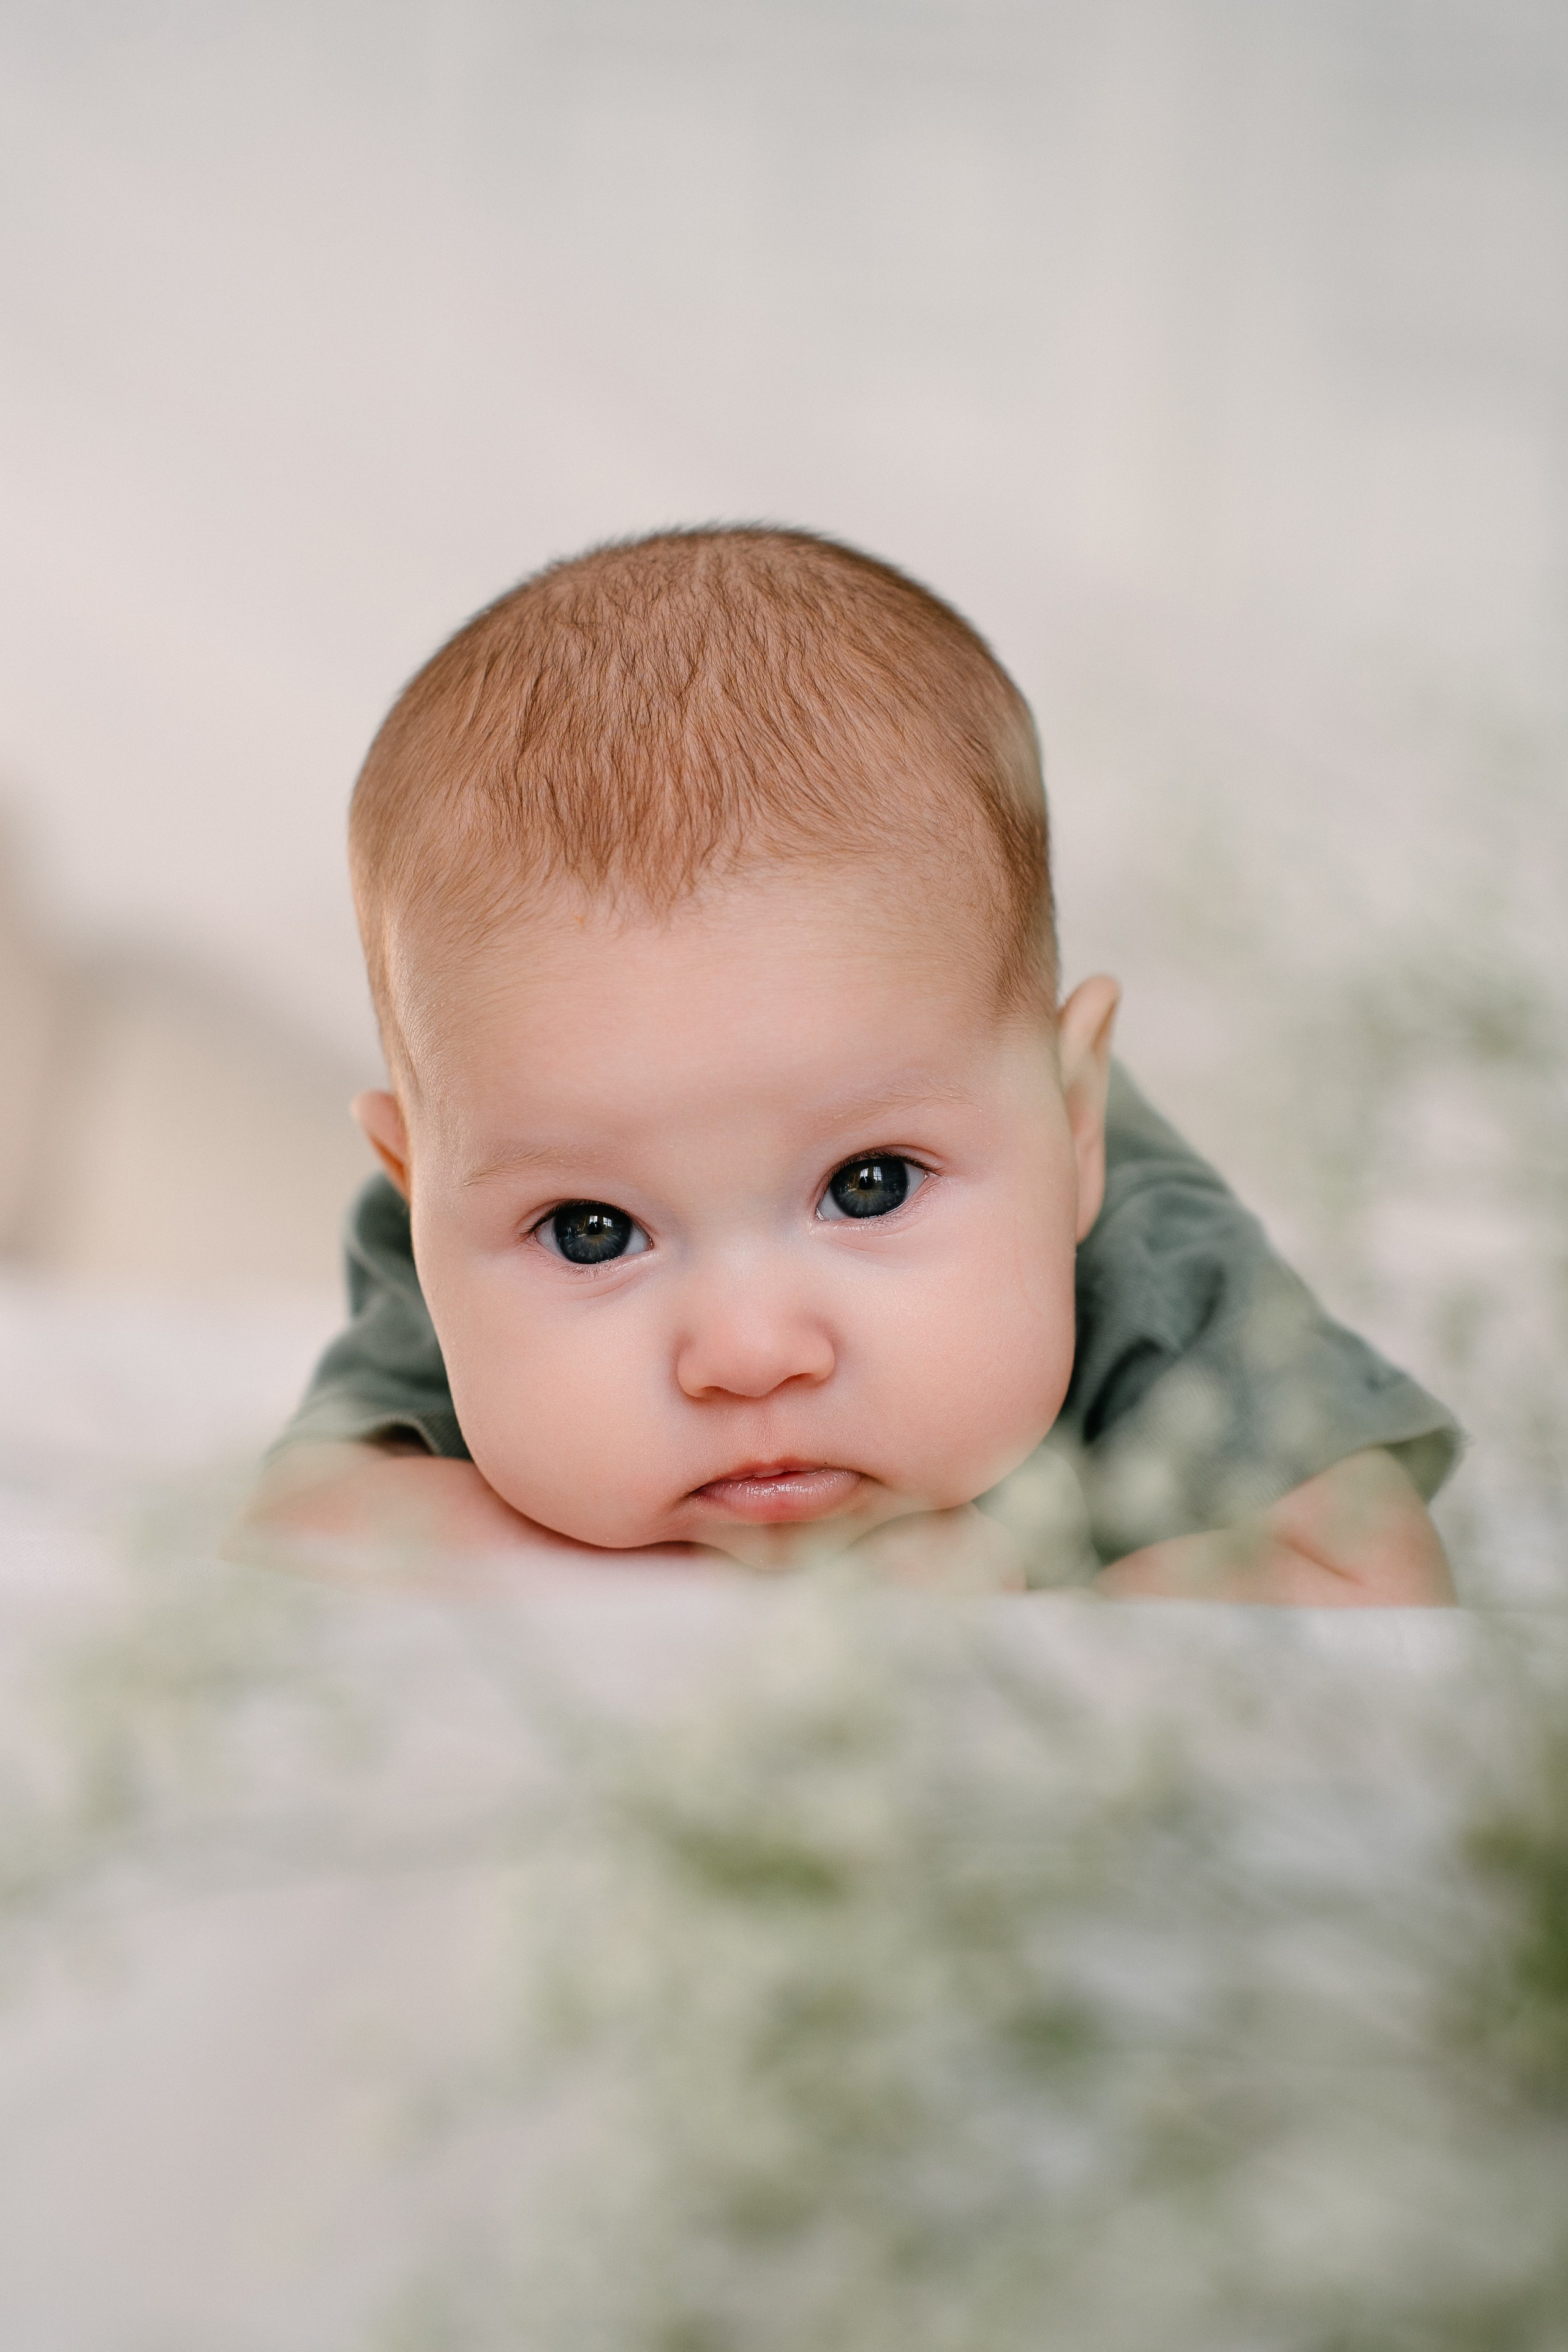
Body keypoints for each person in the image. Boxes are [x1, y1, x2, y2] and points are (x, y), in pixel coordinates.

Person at [231, 528, 1457, 1602]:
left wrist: (1025, 1605)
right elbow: (306, 1529)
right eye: (594, 1233)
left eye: (869, 1185)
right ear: (417, 1185)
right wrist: (745, 1600)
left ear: (1071, 1124)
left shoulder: (1145, 1250)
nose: (750, 1354)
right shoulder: (466, 1218)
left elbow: (1362, 1576)